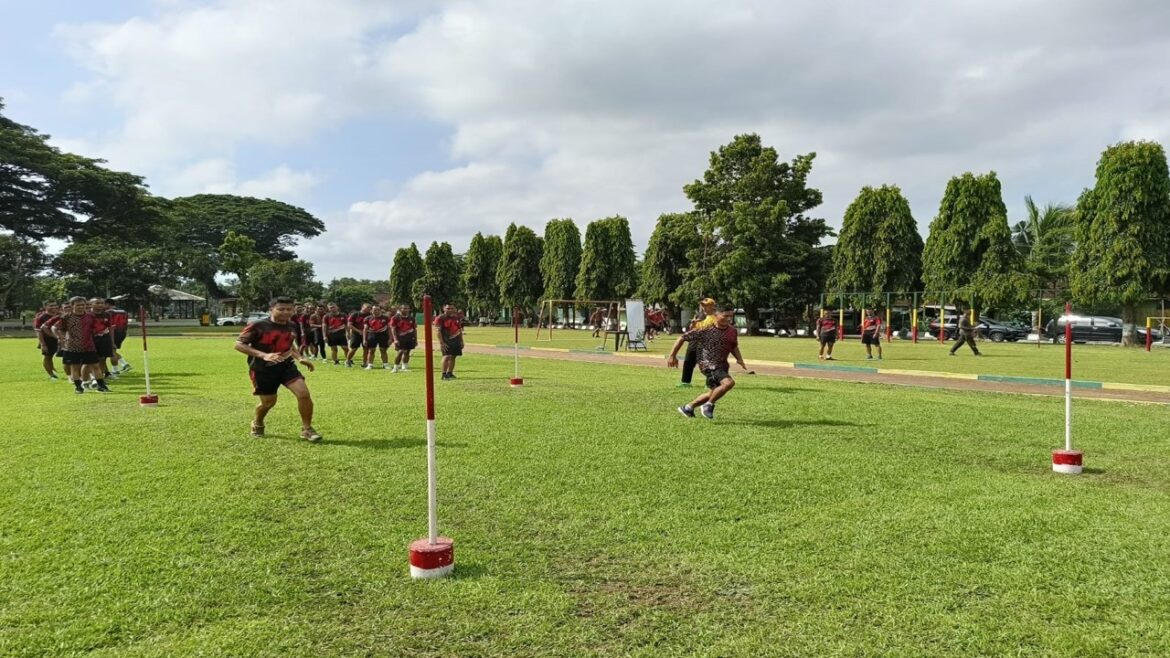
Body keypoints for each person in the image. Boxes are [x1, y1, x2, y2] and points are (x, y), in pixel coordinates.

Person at [234, 296, 321, 442]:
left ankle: (307, 429)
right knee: (268, 403)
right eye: (281, 309)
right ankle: (257, 422)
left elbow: (289, 345)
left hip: (286, 366)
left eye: (289, 309)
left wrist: (300, 358)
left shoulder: (292, 325)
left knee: (304, 394)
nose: (286, 312)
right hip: (263, 369)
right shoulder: (258, 325)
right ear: (271, 310)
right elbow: (238, 345)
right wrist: (264, 355)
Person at [667, 303, 747, 419]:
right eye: (725, 316)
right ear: (716, 314)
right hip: (708, 364)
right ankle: (708, 405)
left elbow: (733, 346)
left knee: (713, 392)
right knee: (729, 383)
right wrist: (672, 356)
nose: (728, 319)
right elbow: (682, 338)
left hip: (722, 365)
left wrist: (739, 359)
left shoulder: (732, 331)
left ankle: (688, 408)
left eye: (730, 316)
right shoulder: (705, 330)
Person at [52, 296, 106, 394]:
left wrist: (99, 332)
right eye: (78, 305)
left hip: (89, 345)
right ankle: (78, 387)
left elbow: (96, 328)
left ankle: (102, 386)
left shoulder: (90, 316)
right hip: (72, 346)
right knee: (75, 367)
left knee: (96, 366)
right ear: (72, 306)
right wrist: (61, 338)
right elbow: (55, 328)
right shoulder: (66, 317)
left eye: (83, 305)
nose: (81, 307)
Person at [679, 298, 717, 387]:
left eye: (706, 306)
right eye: (703, 306)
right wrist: (693, 324)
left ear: (712, 306)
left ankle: (710, 383)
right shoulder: (700, 315)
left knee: (707, 363)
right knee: (688, 361)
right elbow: (693, 329)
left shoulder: (715, 318)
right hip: (695, 341)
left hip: (706, 343)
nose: (704, 308)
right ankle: (685, 382)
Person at [434, 303, 464, 380]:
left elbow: (459, 330)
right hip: (446, 340)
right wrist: (441, 342)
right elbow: (438, 331)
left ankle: (450, 373)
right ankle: (444, 374)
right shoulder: (440, 318)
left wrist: (461, 341)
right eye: (448, 308)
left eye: (452, 308)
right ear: (444, 309)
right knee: (446, 356)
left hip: (456, 340)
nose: (450, 310)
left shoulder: (456, 318)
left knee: (453, 356)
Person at [33, 300, 61, 380]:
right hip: (47, 340)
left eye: (55, 305)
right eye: (51, 305)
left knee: (52, 356)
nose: (54, 307)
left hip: (58, 339)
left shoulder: (59, 315)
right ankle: (51, 375)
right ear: (45, 307)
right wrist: (43, 344)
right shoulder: (41, 317)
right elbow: (38, 331)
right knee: (48, 356)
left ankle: (52, 369)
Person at [363, 305, 392, 370]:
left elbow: (389, 328)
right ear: (371, 311)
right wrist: (364, 339)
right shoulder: (367, 318)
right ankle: (370, 365)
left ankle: (385, 364)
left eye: (378, 310)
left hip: (383, 335)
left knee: (383, 350)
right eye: (375, 310)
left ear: (380, 310)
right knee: (371, 351)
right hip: (372, 335)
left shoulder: (386, 318)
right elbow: (365, 329)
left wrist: (390, 338)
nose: (376, 311)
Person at [391, 303, 417, 372]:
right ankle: (395, 367)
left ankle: (405, 367)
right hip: (400, 337)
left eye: (408, 308)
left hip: (410, 337)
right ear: (400, 309)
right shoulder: (395, 318)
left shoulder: (411, 318)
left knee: (407, 352)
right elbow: (393, 328)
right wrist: (395, 339)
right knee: (400, 352)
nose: (407, 310)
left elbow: (414, 329)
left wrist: (415, 339)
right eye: (405, 308)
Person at [345, 302, 372, 368]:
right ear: (362, 307)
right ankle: (348, 361)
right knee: (353, 349)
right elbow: (349, 325)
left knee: (366, 349)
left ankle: (364, 363)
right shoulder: (355, 314)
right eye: (367, 307)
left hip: (366, 334)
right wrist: (358, 331)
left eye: (369, 308)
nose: (369, 309)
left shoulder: (370, 315)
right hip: (355, 334)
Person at [107, 300, 131, 373]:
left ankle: (115, 370)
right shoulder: (123, 311)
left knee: (111, 351)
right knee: (112, 350)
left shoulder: (109, 312)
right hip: (122, 332)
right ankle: (124, 364)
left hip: (113, 331)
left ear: (108, 304)